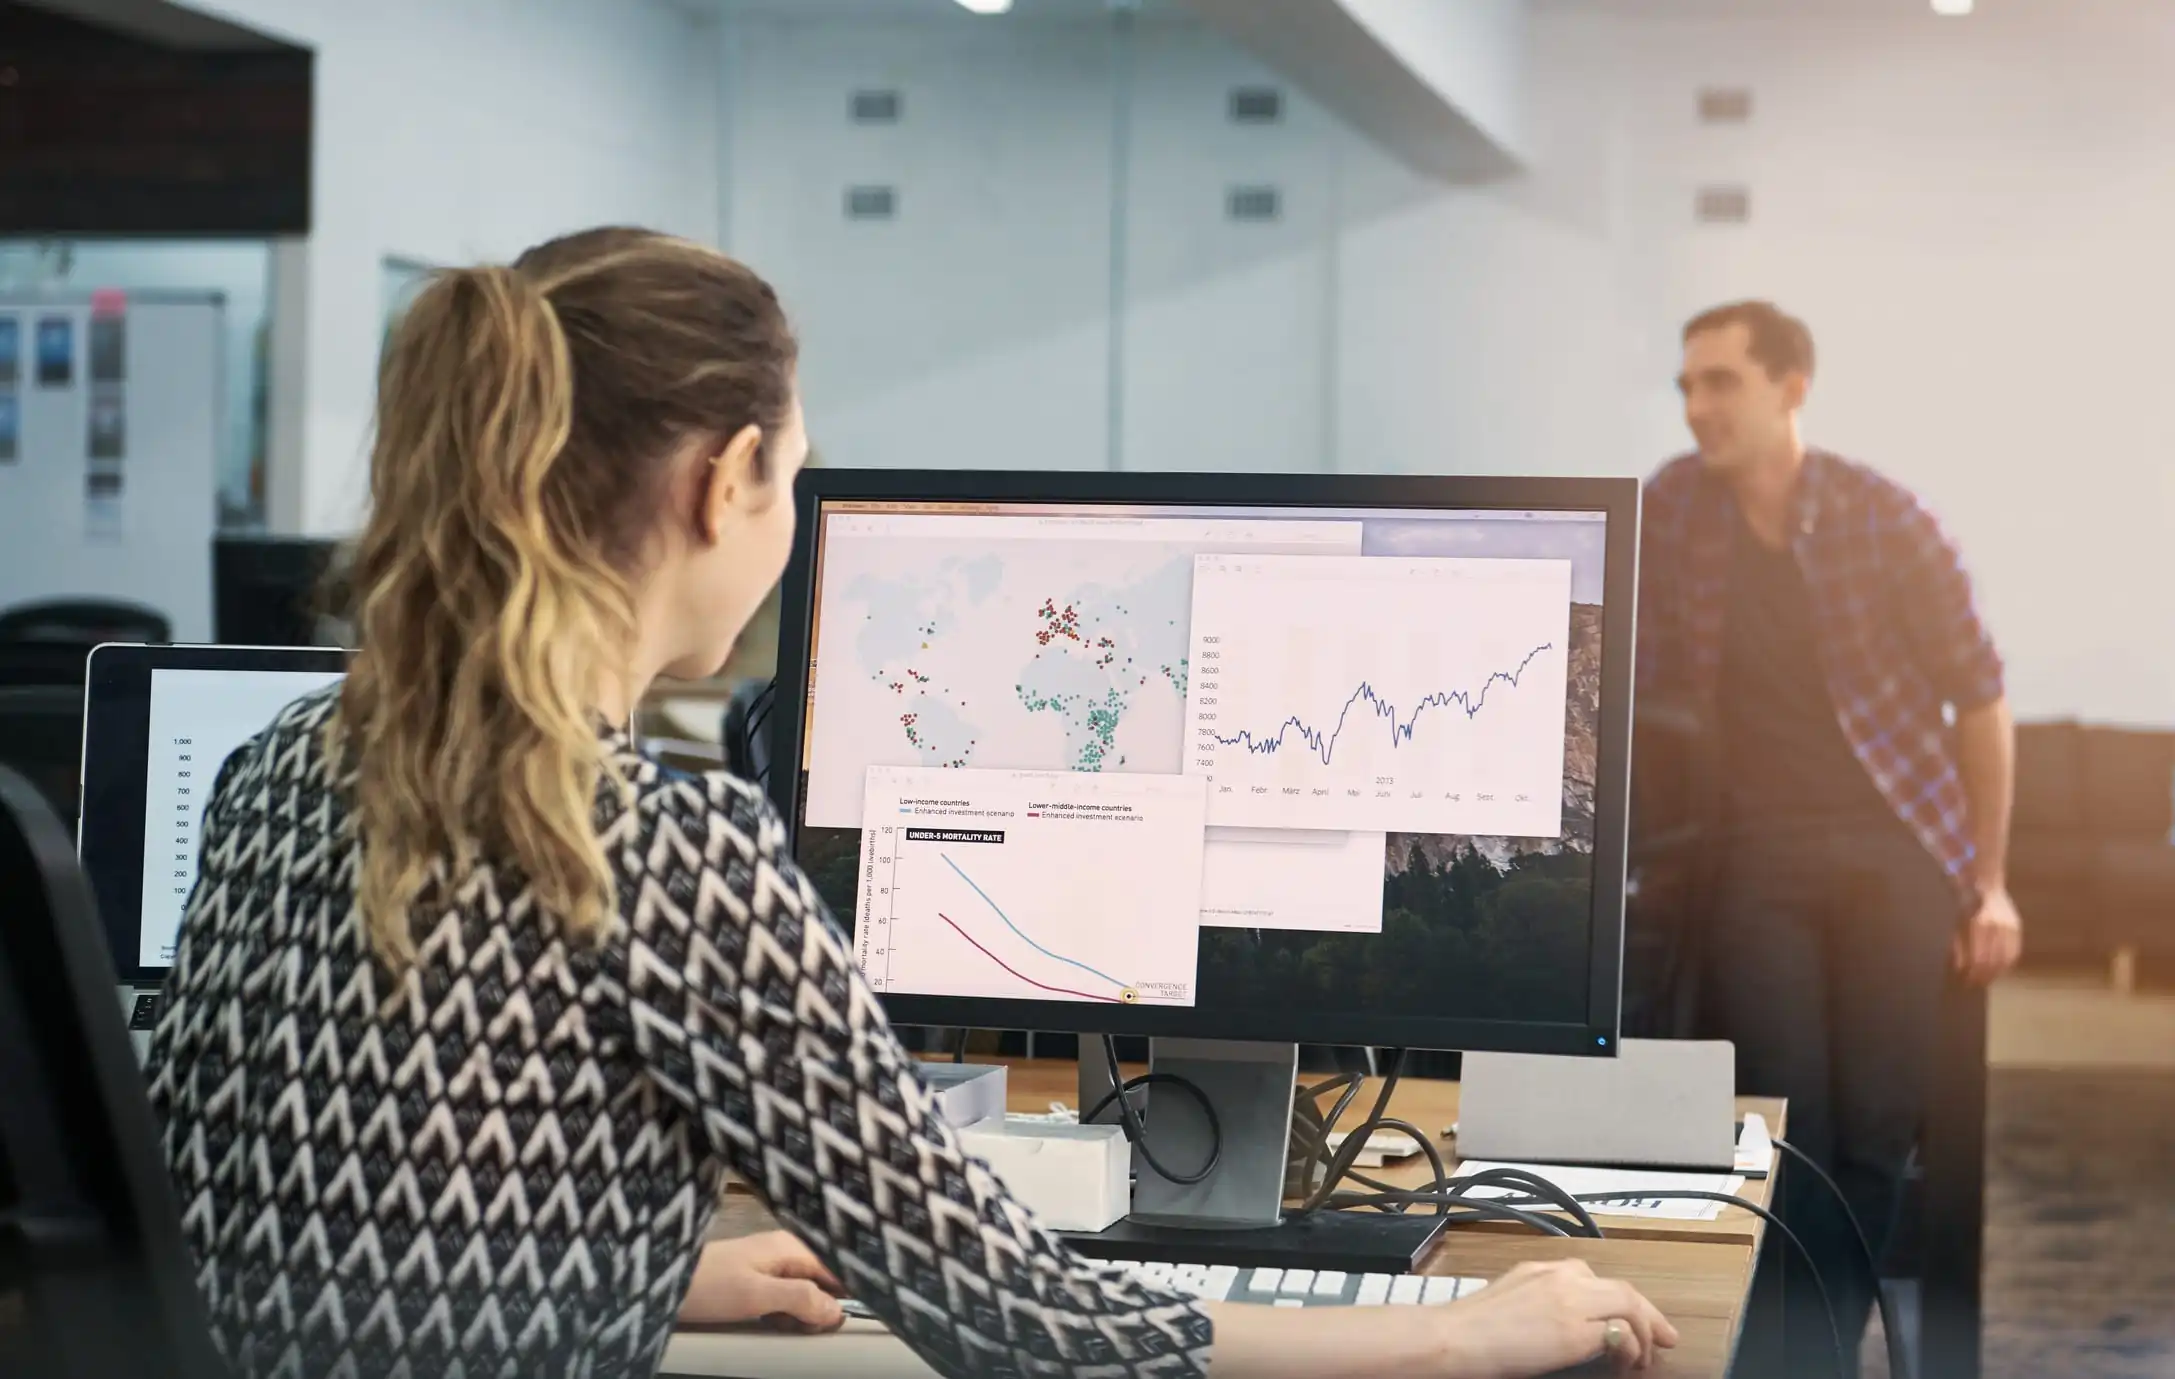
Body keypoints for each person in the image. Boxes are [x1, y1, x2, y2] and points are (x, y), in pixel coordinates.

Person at [143, 226, 1676, 1379]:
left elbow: (293, 1220)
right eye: (794, 476)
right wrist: (1462, 1334)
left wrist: (640, 1268)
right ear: (724, 480)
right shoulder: (660, 849)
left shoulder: (281, 766)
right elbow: (1022, 1317)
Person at [1639, 301, 2020, 1373]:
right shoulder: (1676, 507)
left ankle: (1797, 1354)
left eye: (1721, 382)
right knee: (1788, 1127)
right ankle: (1790, 1358)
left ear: (1791, 385)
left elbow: (1983, 699)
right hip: (1757, 858)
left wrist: (1989, 882)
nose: (1698, 405)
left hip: (1896, 847)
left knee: (1878, 1125)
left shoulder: (1884, 516)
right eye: (1687, 386)